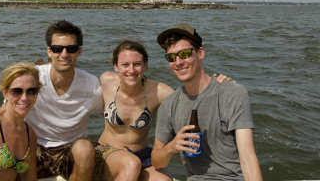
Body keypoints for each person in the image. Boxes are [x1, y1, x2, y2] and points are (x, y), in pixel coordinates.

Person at [98, 39, 231, 181]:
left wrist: (215, 87)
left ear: (145, 65)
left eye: (137, 64)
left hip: (141, 156)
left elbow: (190, 104)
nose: (131, 70)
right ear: (115, 66)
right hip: (107, 152)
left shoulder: (159, 91)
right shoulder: (106, 81)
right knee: (131, 164)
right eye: (125, 64)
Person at [25, 20, 141, 181]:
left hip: (73, 151)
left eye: (71, 49)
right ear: (49, 52)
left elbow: (112, 118)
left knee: (119, 159)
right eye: (57, 49)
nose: (64, 54)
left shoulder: (91, 85)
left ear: (79, 51)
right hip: (35, 148)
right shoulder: (31, 78)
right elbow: (6, 117)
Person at [151, 23, 262, 180]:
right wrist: (171, 147)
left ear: (200, 53)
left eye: (184, 54)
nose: (178, 62)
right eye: (171, 57)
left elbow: (248, 158)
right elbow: (156, 161)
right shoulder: (169, 104)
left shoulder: (233, 93)